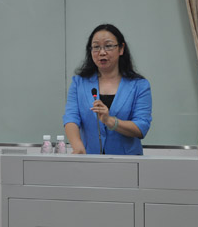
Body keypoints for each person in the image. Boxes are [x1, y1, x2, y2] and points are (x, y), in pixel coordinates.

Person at [62, 23, 152, 155]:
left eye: (108, 46)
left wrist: (110, 121)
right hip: (89, 158)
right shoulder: (79, 83)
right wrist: (77, 146)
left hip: (127, 161)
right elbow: (71, 118)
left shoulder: (139, 85)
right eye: (96, 47)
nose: (102, 52)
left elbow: (141, 127)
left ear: (121, 49)